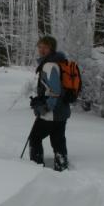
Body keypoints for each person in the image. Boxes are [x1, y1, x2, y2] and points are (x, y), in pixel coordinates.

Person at [29, 36, 70, 171]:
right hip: (62, 111)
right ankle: (62, 167)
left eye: (45, 47)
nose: (41, 50)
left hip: (51, 112)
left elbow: (55, 90)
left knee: (35, 138)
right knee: (58, 140)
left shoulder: (49, 65)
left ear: (51, 48)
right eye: (40, 46)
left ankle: (35, 168)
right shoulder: (59, 62)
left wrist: (46, 107)